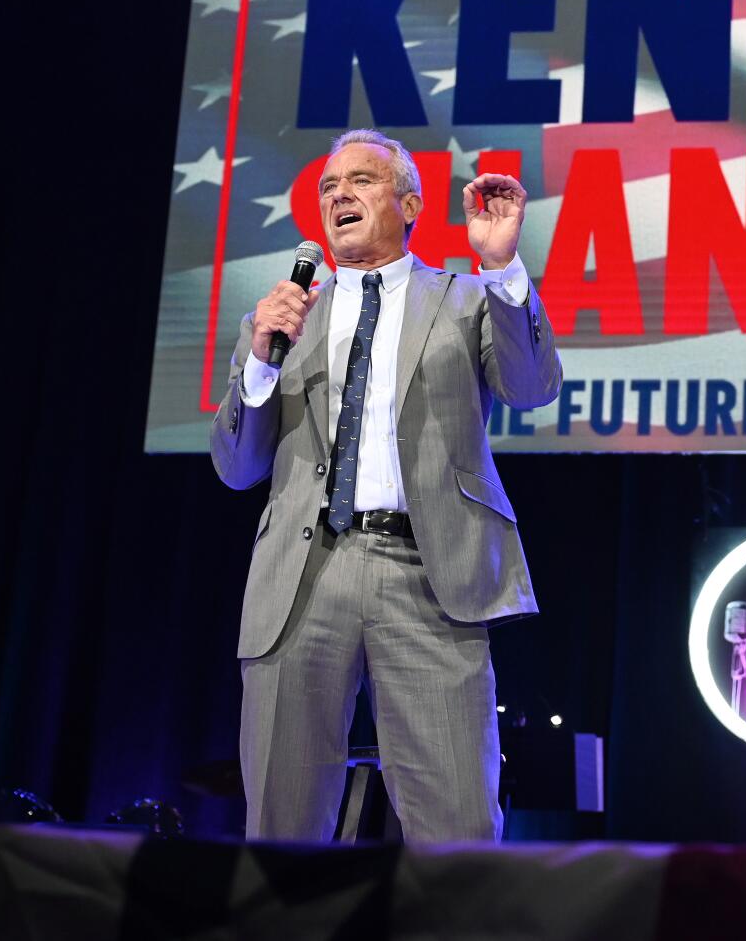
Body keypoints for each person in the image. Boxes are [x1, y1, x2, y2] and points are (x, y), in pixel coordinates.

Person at [209, 128, 560, 843]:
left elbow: (532, 385)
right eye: (328, 187)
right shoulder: (279, 318)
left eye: (361, 180)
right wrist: (259, 366)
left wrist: (503, 268)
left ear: (410, 204)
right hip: (303, 576)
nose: (339, 194)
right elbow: (237, 465)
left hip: (429, 574)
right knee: (280, 827)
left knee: (457, 823)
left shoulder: (463, 299)